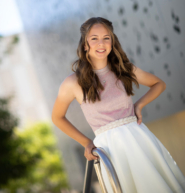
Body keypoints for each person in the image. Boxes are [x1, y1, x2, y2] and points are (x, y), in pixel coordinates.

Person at [52, 17, 185, 193]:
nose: (101, 43)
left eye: (106, 37)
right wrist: (86, 142)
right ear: (85, 45)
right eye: (94, 38)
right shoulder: (72, 83)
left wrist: (138, 105)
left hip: (139, 139)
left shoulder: (123, 69)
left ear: (112, 41)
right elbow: (57, 117)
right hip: (109, 148)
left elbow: (159, 84)